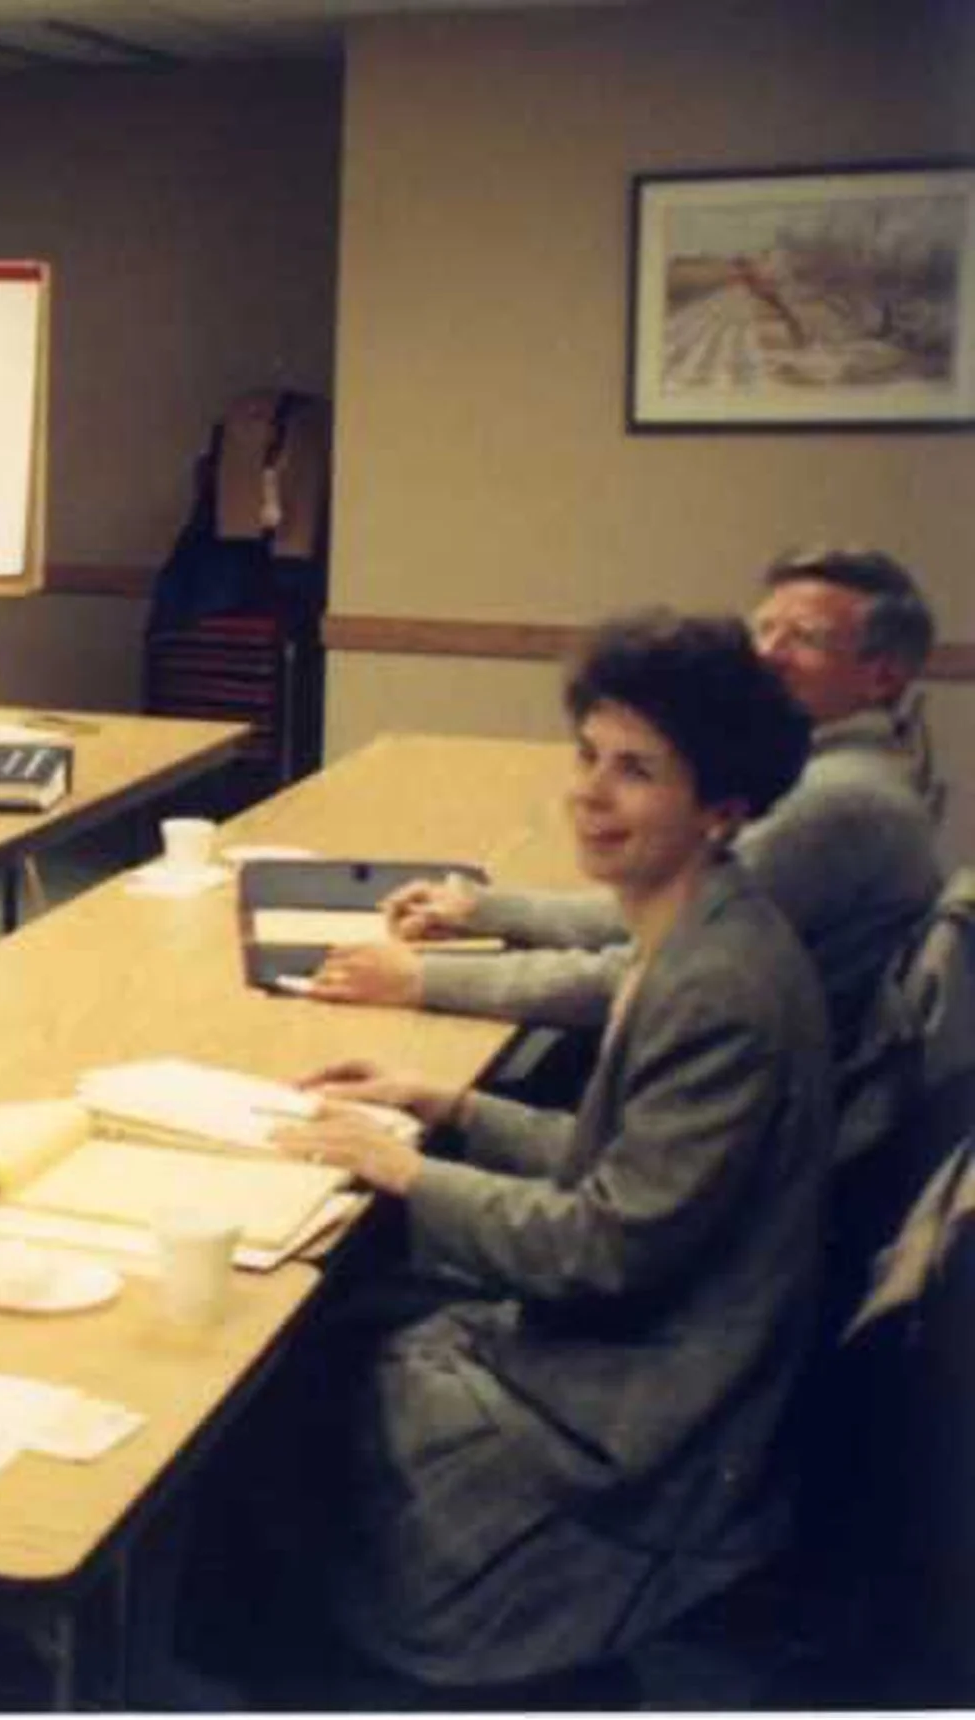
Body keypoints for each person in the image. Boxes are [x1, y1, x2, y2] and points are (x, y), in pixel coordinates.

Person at [263, 613, 828, 1690]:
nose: (589, 792)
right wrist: (448, 1106)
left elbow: (603, 1247)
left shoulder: (720, 986)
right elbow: (622, 1160)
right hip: (651, 1332)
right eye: (588, 756)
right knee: (336, 1319)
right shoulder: (693, 930)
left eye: (636, 772)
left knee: (322, 1363)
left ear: (721, 808)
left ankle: (320, 1661)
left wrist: (409, 1170)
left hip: (654, 1404)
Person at [310, 549, 945, 1064]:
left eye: (803, 638)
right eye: (763, 628)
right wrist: (484, 908)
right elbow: (656, 919)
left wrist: (422, 979)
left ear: (882, 677)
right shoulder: (845, 768)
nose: (766, 652)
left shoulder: (834, 804)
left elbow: (652, 973)